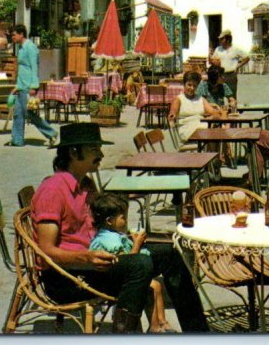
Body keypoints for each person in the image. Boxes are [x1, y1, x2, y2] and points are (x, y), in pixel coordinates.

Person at [31, 123, 210, 333]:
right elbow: (45, 252)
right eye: (94, 149)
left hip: (95, 264)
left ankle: (198, 332)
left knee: (169, 253)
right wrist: (86, 257)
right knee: (139, 264)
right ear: (73, 152)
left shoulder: (85, 185)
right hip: (66, 278)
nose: (101, 154)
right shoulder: (52, 190)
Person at [89, 193, 174, 333]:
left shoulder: (114, 235)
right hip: (111, 279)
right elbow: (128, 263)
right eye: (123, 217)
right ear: (110, 221)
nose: (126, 220)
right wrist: (137, 244)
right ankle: (155, 327)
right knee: (152, 286)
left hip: (121, 275)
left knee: (157, 285)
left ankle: (161, 322)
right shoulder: (108, 241)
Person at [10, 24, 57, 147]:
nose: (12, 38)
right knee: (18, 114)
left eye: (14, 35)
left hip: (28, 87)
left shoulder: (30, 48)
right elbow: (22, 69)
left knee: (28, 113)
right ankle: (17, 140)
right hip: (21, 86)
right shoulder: (21, 48)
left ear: (21, 34)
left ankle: (51, 133)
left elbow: (34, 67)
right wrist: (17, 86)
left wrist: (34, 86)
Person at [168, 70, 221, 141]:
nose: (192, 88)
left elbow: (213, 112)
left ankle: (218, 152)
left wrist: (219, 111)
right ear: (184, 84)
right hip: (186, 129)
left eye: (194, 86)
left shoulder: (200, 99)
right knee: (212, 132)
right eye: (189, 85)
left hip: (201, 126)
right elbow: (173, 113)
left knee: (221, 131)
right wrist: (172, 116)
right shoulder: (178, 99)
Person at [209, 30, 249, 99]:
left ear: (228, 39)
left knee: (232, 97)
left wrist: (238, 66)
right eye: (220, 39)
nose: (220, 41)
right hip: (219, 75)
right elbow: (213, 60)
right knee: (218, 96)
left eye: (222, 39)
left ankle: (233, 109)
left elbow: (247, 58)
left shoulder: (235, 49)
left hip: (231, 75)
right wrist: (211, 59)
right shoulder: (218, 49)